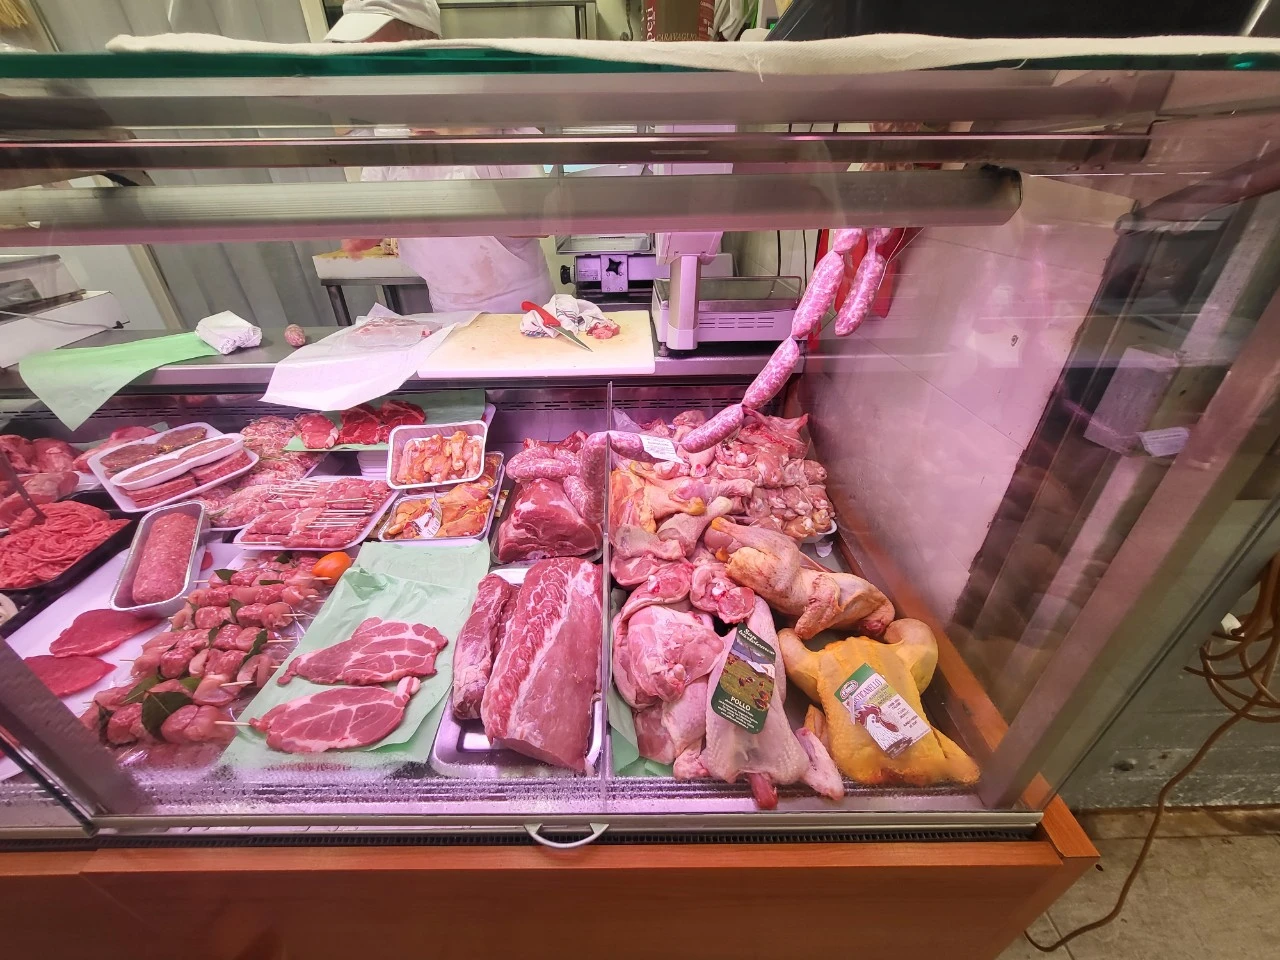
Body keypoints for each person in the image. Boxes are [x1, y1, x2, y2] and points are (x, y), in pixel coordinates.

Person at [329, 0, 556, 313]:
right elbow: (374, 214)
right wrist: (365, 233)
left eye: (381, 53)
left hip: (519, 303)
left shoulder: (493, 114)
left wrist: (465, 137)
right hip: (445, 305)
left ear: (426, 44)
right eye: (362, 56)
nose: (371, 68)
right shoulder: (387, 130)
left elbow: (539, 223)